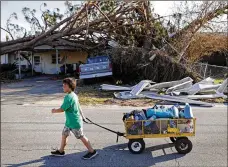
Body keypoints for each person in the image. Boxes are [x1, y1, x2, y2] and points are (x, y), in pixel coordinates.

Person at [51, 78, 98, 160]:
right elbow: (79, 106)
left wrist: (54, 110)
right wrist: (83, 117)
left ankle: (92, 151)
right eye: (63, 85)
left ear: (70, 87)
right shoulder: (74, 95)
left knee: (81, 136)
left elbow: (62, 109)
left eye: (65, 85)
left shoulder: (68, 97)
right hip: (69, 122)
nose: (63, 87)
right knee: (64, 135)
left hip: (74, 123)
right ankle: (61, 151)